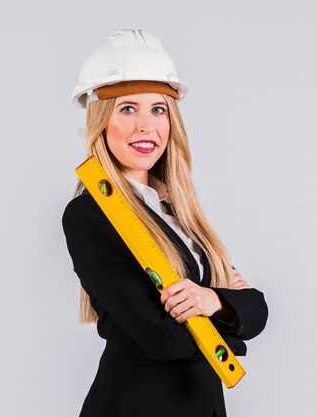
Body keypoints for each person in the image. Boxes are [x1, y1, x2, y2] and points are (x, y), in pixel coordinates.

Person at [62, 29, 268, 417]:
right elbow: (164, 339)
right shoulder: (90, 216)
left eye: (158, 109)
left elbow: (257, 308)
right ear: (100, 120)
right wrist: (229, 314)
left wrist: (211, 300)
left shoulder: (178, 213)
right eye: (127, 109)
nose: (146, 125)